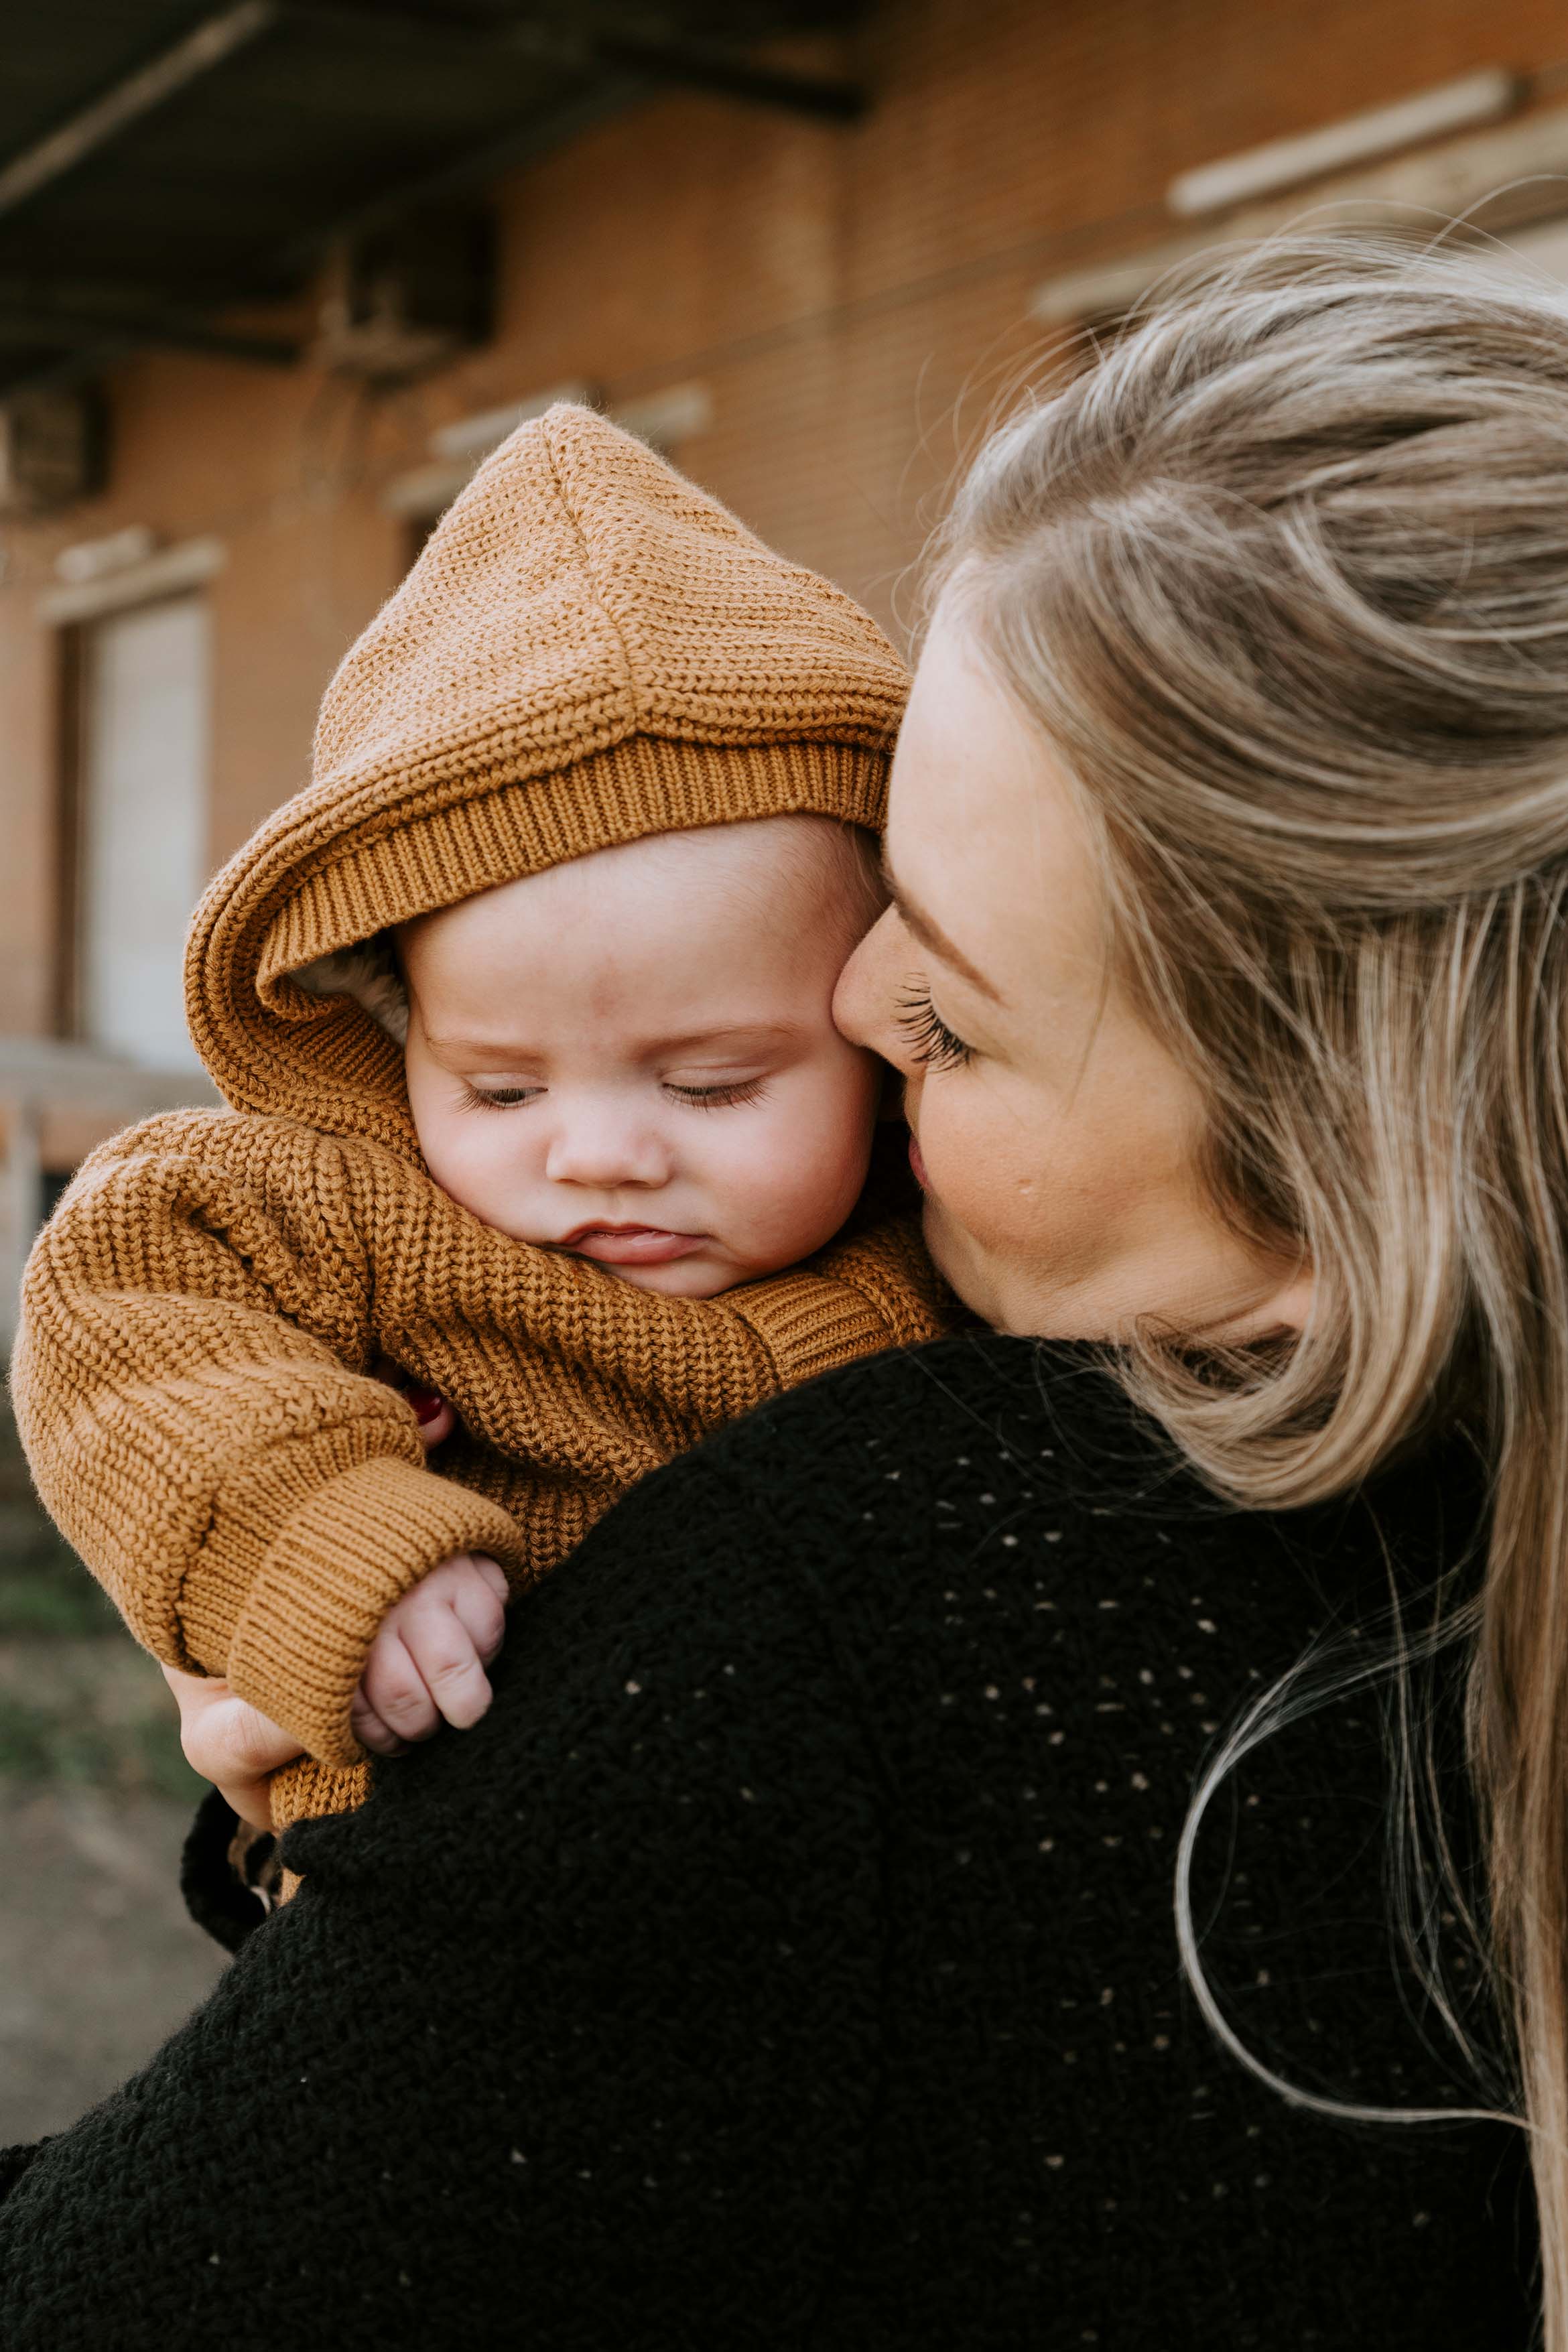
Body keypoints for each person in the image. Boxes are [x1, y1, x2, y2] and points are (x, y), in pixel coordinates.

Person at [0, 233, 1551, 2346]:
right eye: (890, 893)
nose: (854, 998)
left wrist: (448, 1841)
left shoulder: (867, 1584)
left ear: (1341, 1180)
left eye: (959, 1020)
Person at [9, 401, 945, 1839]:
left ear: (887, 1029)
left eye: (713, 1085)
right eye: (500, 1088)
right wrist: (318, 1538)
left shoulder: (960, 1258)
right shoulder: (352, 1216)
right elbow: (124, 1312)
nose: (597, 1153)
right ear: (396, 1032)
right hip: (416, 1886)